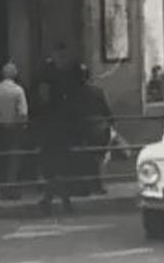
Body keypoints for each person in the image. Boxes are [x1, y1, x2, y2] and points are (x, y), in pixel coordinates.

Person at [34, 42, 77, 214]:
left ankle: (50, 200)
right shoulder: (59, 74)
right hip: (58, 125)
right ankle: (60, 201)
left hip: (52, 124)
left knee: (55, 166)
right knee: (59, 165)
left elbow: (42, 97)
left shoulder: (49, 73)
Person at [0, 61, 29, 199]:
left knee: (0, 157)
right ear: (14, 74)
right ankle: (11, 187)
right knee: (13, 159)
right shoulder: (18, 90)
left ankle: (2, 187)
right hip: (13, 129)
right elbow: (23, 112)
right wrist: (23, 128)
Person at [71, 64, 113, 195]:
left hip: (80, 129)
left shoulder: (72, 93)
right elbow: (107, 111)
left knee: (81, 158)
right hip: (98, 129)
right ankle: (97, 185)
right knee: (97, 159)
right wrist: (109, 123)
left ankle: (82, 187)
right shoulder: (97, 91)